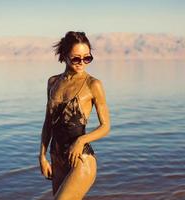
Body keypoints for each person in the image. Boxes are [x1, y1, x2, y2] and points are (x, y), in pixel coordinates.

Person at [38, 31, 111, 199]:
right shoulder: (53, 82)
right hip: (57, 158)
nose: (82, 63)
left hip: (81, 158)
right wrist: (42, 156)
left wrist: (81, 140)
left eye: (87, 58)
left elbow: (106, 126)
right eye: (76, 58)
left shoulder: (93, 84)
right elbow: (48, 123)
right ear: (64, 55)